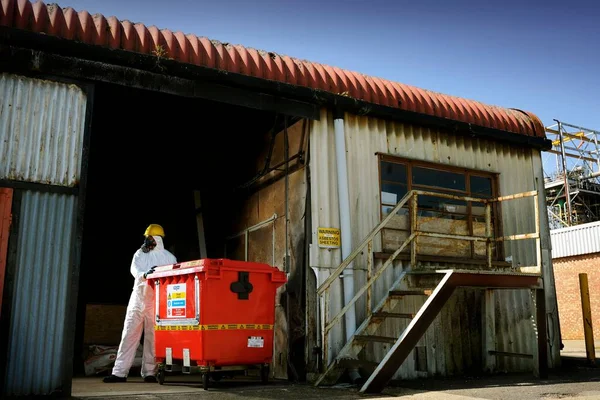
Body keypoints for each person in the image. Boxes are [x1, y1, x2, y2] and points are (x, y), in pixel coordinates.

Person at [103, 224, 177, 383]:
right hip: (138, 299)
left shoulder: (170, 258)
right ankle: (119, 373)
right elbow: (134, 270)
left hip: (156, 301)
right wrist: (144, 274)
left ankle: (150, 372)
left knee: (153, 338)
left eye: (148, 237)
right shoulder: (140, 254)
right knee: (129, 335)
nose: (146, 241)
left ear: (156, 239)